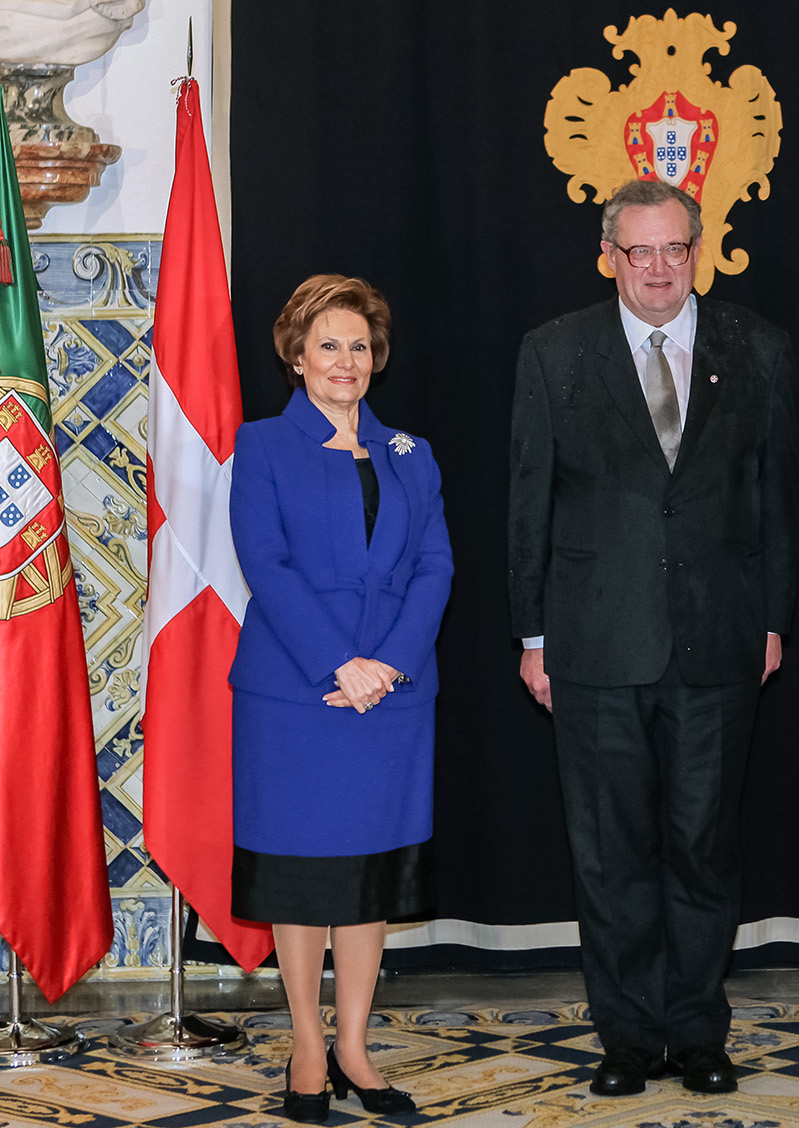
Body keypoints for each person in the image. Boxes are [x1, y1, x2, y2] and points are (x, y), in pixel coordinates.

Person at [507, 177, 798, 1097]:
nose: (660, 268)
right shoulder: (554, 352)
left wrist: (773, 620)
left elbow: (778, 500)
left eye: (676, 248)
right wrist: (533, 634)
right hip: (594, 646)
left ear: (697, 248)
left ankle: (699, 1033)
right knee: (611, 851)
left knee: (704, 847)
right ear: (610, 258)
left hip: (719, 643)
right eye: (640, 251)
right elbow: (528, 504)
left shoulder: (759, 347)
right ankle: (628, 1037)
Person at [228, 275, 453, 1123]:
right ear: (296, 357)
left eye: (359, 345)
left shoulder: (411, 454)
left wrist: (387, 664)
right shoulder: (260, 447)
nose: (345, 360)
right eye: (328, 344)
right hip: (297, 697)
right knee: (302, 883)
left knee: (366, 880)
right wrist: (339, 666)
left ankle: (355, 1045)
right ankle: (307, 1047)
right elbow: (267, 565)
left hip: (391, 699)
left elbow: (436, 565)